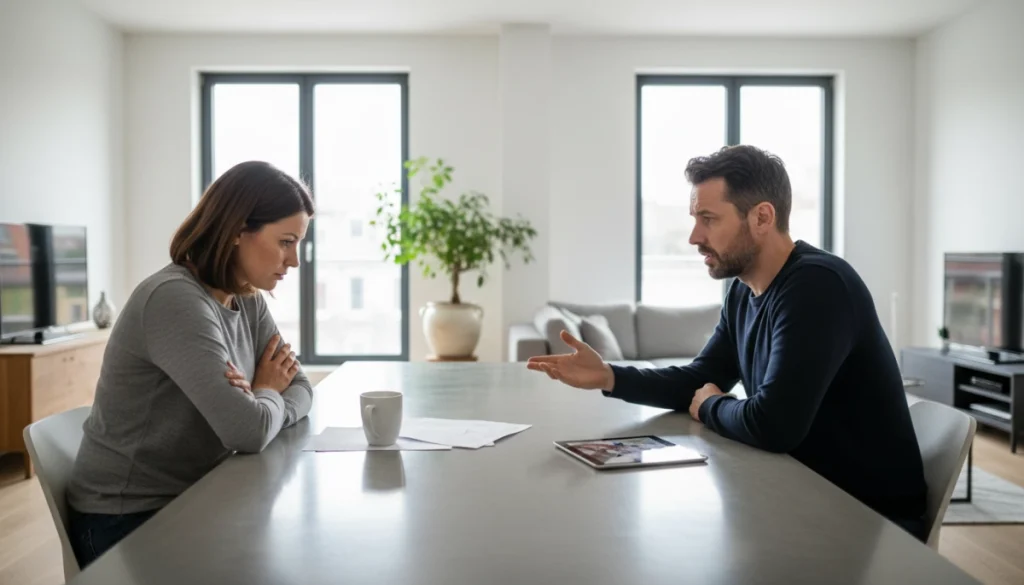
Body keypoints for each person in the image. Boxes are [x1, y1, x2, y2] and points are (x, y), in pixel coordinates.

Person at [528, 145, 928, 540]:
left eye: (708, 219)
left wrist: (711, 406)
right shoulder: (742, 292)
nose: (694, 237)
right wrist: (609, 376)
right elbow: (700, 377)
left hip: (867, 521)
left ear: (762, 217)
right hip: (800, 493)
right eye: (694, 218)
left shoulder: (817, 286)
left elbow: (773, 426)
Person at [66, 161, 316, 567]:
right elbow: (247, 431)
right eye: (286, 241)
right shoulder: (174, 300)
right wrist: (267, 391)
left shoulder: (246, 299)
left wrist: (259, 404)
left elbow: (303, 388)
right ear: (238, 230)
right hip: (127, 520)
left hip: (196, 496)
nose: (294, 261)